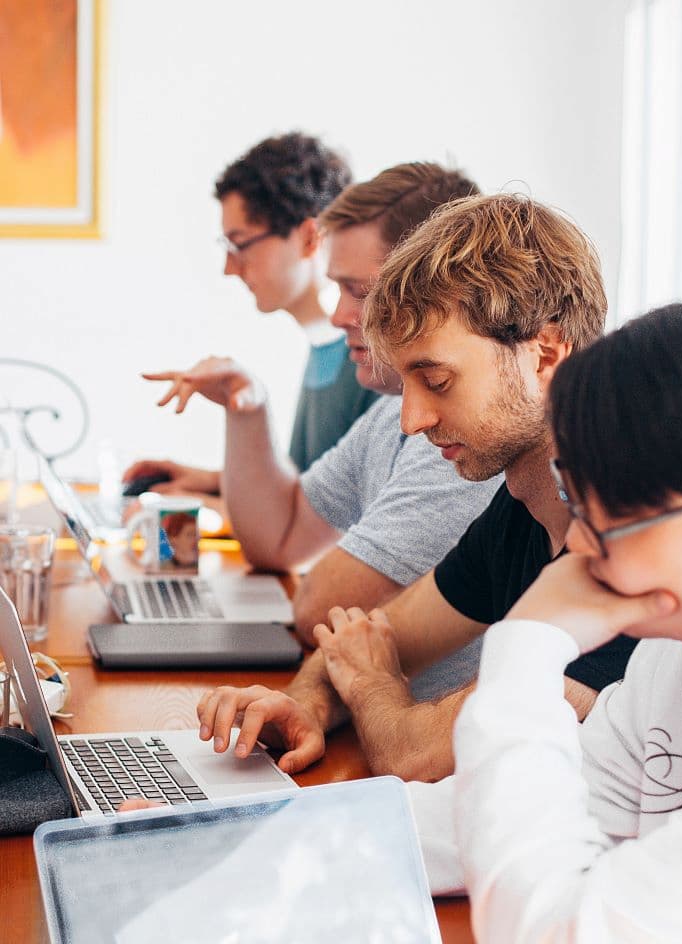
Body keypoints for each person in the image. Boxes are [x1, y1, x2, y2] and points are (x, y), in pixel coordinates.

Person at [196, 194, 636, 781]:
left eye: (436, 381)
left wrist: (376, 688)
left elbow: (417, 753)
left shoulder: (629, 541)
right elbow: (370, 640)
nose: (412, 420)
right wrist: (306, 704)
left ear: (545, 356)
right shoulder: (522, 508)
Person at [408, 295, 682, 941]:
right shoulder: (677, 654)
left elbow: (551, 931)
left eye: (608, 518)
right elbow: (526, 812)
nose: (580, 548)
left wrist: (526, 645)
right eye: (574, 501)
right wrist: (256, 826)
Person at [136, 164, 500, 647]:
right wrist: (248, 411)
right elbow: (278, 540)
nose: (337, 315)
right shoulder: (387, 414)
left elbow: (319, 611)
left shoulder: (461, 439)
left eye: (361, 292)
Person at [124, 130, 375, 509]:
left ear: (309, 238)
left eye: (240, 245)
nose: (229, 268)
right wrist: (210, 482)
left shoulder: (369, 362)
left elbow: (341, 519)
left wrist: (206, 505)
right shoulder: (324, 347)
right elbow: (309, 483)